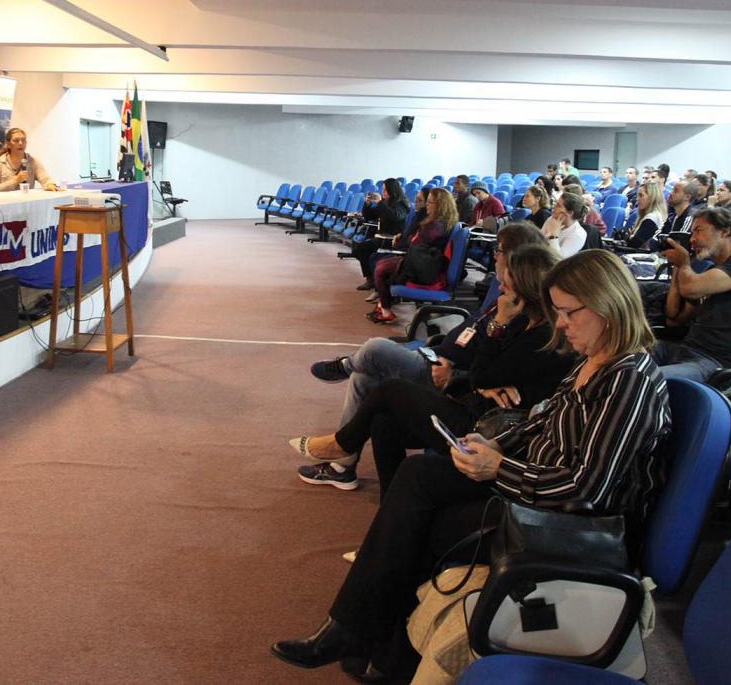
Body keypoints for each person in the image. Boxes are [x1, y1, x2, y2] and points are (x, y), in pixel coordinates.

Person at [271, 250, 672, 679]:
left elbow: (585, 488)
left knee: (422, 517)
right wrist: (488, 443)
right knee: (417, 479)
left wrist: (496, 468)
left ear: (607, 307)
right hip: (534, 491)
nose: (561, 323)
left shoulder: (628, 378)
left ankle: (368, 643)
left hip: (572, 525)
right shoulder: (595, 362)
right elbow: (540, 427)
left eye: (569, 313)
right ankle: (367, 642)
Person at [292, 242, 565, 496]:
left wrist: (496, 327)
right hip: (463, 391)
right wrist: (482, 375)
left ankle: (342, 443)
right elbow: (483, 369)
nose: (501, 281)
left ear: (526, 286)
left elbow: (483, 370)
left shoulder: (538, 335)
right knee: (382, 420)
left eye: (509, 277)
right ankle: (390, 511)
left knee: (385, 381)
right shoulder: (520, 319)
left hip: (481, 424)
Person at [654, 207, 731, 381]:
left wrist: (684, 264)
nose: (692, 239)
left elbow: (690, 288)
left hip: (720, 364)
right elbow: (674, 318)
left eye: (698, 231)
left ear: (726, 231)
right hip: (687, 351)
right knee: (617, 358)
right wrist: (678, 265)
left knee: (644, 378)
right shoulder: (717, 272)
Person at [367, 187, 458, 324]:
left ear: (440, 205)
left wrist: (409, 239)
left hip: (425, 267)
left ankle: (385, 311)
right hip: (421, 261)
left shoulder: (436, 226)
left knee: (380, 268)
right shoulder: (438, 222)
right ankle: (383, 305)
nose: (426, 205)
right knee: (381, 265)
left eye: (430, 203)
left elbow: (416, 243)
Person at [351, 179, 411, 291]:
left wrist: (379, 203)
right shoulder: (385, 203)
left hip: (391, 239)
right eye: (382, 189)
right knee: (359, 249)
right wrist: (367, 204)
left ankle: (371, 280)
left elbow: (394, 216)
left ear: (391, 190)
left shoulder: (401, 204)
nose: (383, 192)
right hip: (380, 237)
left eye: (385, 190)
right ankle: (371, 278)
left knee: (362, 249)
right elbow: (369, 216)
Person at [0, 128, 62, 193]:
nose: (20, 143)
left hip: (25, 205)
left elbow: (45, 178)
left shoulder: (33, 161)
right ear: (8, 144)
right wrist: (14, 181)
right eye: (16, 140)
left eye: (23, 140)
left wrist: (50, 184)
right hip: (2, 206)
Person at [541, 190, 601, 257]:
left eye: (558, 205)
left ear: (570, 213)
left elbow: (558, 259)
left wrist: (554, 236)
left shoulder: (578, 234)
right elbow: (538, 242)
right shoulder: (552, 219)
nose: (553, 207)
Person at [623, 182, 667, 249]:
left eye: (641, 195)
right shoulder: (656, 214)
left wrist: (629, 238)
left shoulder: (651, 219)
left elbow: (633, 245)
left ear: (652, 197)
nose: (637, 199)